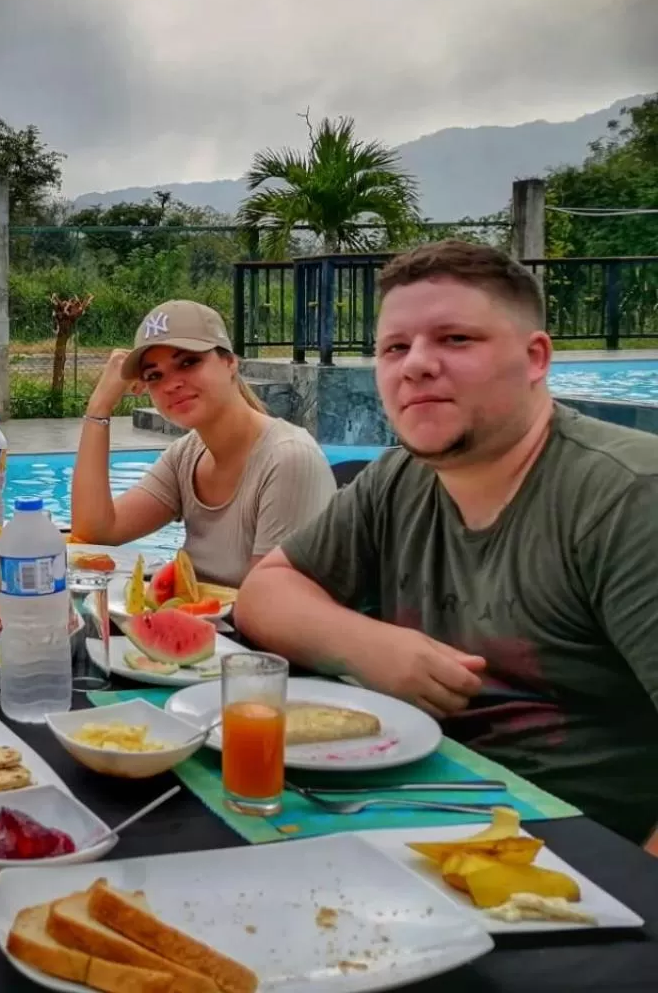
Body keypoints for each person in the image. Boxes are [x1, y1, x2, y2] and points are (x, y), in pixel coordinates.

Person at [236, 241, 658, 850]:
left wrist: (639, 909)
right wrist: (367, 646)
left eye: (456, 339)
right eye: (395, 347)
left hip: (572, 854)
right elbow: (267, 591)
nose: (416, 366)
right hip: (416, 809)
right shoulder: (399, 479)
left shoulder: (625, 500)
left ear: (536, 357)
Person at [70, 299, 335, 587]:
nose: (171, 384)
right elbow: (96, 531)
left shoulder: (288, 460)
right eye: (154, 375)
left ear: (230, 362)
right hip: (206, 624)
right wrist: (99, 407)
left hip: (249, 631)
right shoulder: (187, 455)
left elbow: (271, 606)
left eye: (188, 362)